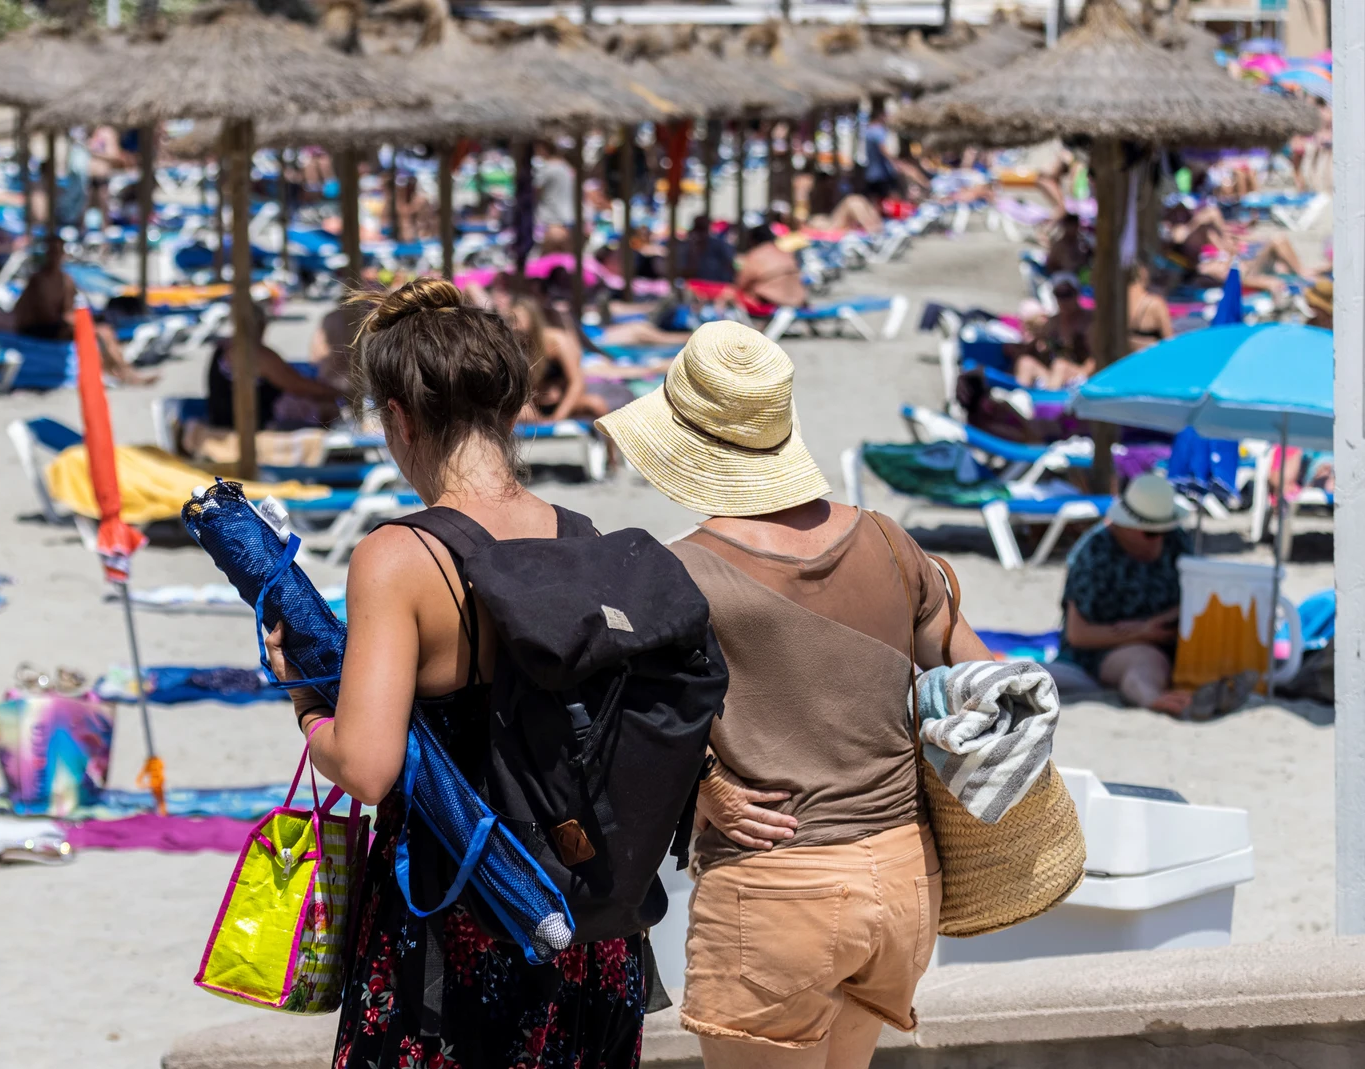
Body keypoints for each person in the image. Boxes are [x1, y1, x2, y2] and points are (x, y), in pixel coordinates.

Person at [264, 278, 651, 1069]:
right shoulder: (580, 536)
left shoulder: (399, 556)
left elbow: (369, 767)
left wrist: (307, 702)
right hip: (584, 928)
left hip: (455, 920)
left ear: (398, 419)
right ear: (510, 405)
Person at [596, 322, 984, 1068]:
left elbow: (632, 724)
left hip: (777, 885)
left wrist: (707, 785)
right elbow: (983, 679)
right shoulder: (889, 539)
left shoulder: (683, 573)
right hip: (902, 876)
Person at [1055, 474, 1255, 720]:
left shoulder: (1176, 539)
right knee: (1143, 661)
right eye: (1150, 532)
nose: (1159, 538)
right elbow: (1078, 634)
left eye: (1164, 529)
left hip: (1172, 640)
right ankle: (1157, 701)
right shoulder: (1092, 554)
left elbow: (1196, 594)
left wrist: (1163, 620)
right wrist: (1142, 632)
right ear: (1123, 525)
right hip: (1107, 649)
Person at [203, 304, 342, 430]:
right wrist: (339, 393)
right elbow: (298, 386)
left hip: (224, 421)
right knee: (327, 411)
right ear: (260, 325)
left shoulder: (223, 348)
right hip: (254, 425)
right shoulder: (256, 354)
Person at [508, 295, 623, 420]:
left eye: (517, 319)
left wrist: (558, 417)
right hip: (536, 407)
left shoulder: (556, 341)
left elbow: (577, 382)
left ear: (532, 319)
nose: (513, 325)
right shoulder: (515, 347)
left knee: (597, 405)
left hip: (564, 402)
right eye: (510, 320)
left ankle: (610, 439)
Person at [1011, 274, 1093, 389]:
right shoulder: (1053, 322)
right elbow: (1035, 347)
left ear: (1077, 293)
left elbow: (1095, 357)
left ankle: (1050, 403)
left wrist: (1083, 373)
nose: (1064, 300)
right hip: (1054, 374)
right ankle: (1019, 400)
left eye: (1067, 294)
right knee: (1025, 363)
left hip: (1081, 375)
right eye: (1059, 295)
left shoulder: (1088, 322)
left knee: (1060, 365)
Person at [11, 236, 76, 341]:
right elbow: (44, 314)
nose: (54, 256)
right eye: (52, 251)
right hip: (35, 327)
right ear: (47, 254)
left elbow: (68, 309)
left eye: (57, 252)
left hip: (52, 325)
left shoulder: (67, 280)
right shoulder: (38, 279)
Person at [734, 222, 807, 312]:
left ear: (753, 240)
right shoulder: (784, 253)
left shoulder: (755, 256)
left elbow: (741, 284)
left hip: (771, 303)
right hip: (798, 300)